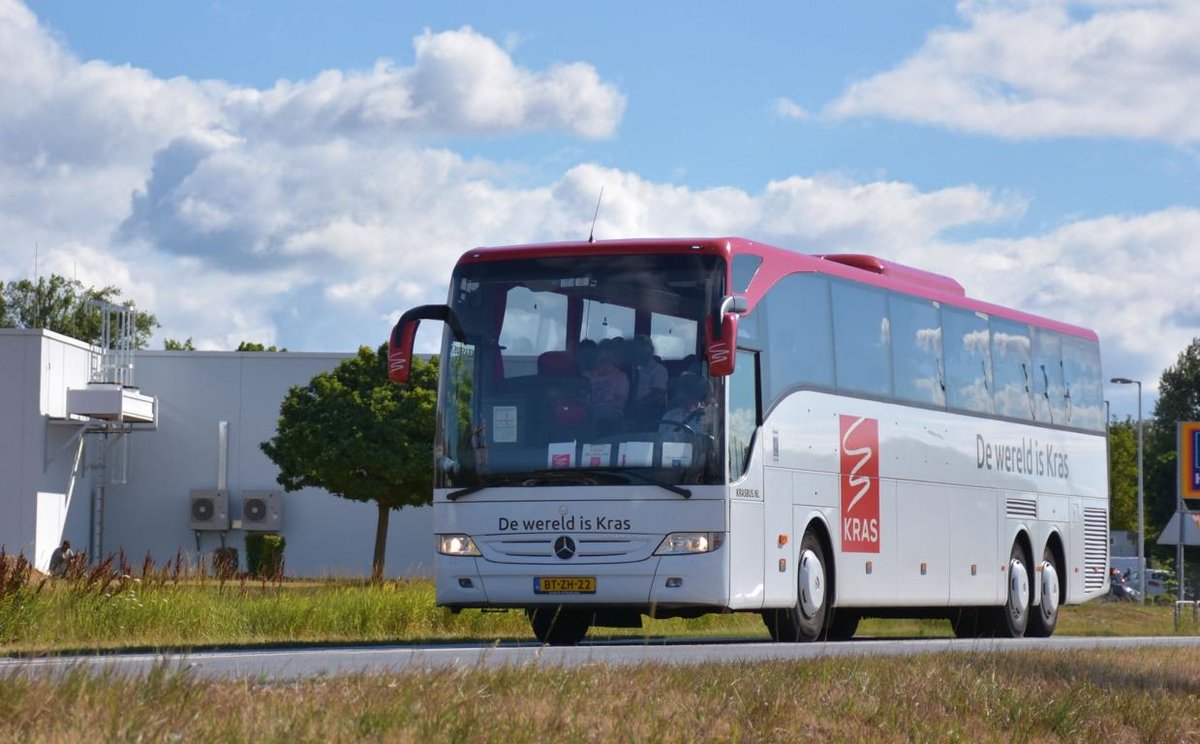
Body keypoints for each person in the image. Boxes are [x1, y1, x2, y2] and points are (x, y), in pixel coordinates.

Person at [585, 345, 629, 433]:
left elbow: (620, 403)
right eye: (601, 356)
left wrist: (598, 404)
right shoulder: (587, 376)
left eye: (607, 357)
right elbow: (582, 397)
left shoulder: (620, 377)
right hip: (587, 410)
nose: (604, 360)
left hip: (611, 413)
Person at [627, 336, 668, 426]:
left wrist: (636, 405)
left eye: (643, 349)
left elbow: (658, 394)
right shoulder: (627, 368)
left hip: (647, 409)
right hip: (624, 404)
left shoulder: (659, 370)